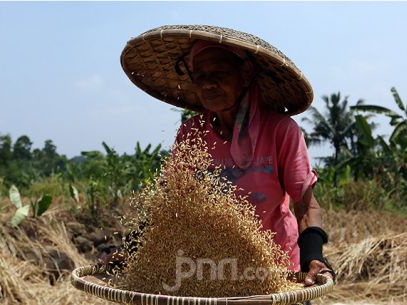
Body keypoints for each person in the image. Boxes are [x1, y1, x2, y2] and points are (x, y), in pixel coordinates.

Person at [105, 25, 334, 289]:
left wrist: (313, 257)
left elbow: (306, 205)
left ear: (245, 74)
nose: (208, 83)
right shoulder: (192, 134)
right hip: (211, 272)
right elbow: (169, 205)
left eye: (219, 73)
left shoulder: (280, 132)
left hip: (274, 273)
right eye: (200, 76)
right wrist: (133, 249)